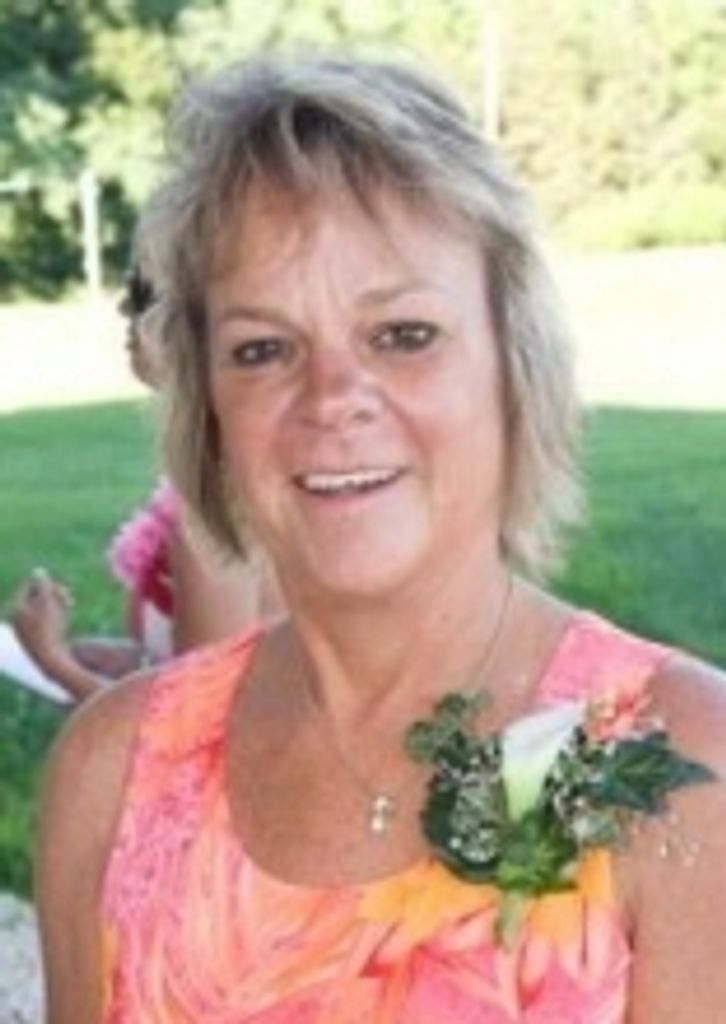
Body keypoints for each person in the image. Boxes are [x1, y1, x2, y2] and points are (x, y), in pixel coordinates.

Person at [35, 52, 726, 1022]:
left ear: (513, 363)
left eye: (403, 334)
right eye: (262, 349)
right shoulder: (113, 773)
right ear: (210, 410)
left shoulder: (686, 769)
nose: (332, 399)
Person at [8, 264, 268, 702]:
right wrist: (138, 662)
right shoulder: (222, 478)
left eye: (144, 292)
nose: (123, 306)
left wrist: (55, 664)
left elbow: (199, 722)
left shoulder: (218, 516)